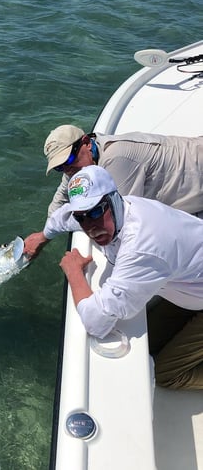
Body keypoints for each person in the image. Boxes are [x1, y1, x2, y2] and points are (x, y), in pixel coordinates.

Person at [29, 165, 203, 389]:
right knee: (149, 346)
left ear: (113, 198)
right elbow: (63, 218)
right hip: (192, 289)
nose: (90, 227)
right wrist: (42, 238)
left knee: (165, 375)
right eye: (82, 216)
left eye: (95, 211)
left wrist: (74, 272)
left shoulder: (141, 246)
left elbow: (97, 322)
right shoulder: (123, 207)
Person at [24, 124, 203, 257]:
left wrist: (50, 233)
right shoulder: (77, 165)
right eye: (59, 167)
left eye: (68, 160)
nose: (66, 169)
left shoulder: (117, 158)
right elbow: (61, 196)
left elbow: (119, 219)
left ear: (86, 142)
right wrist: (42, 237)